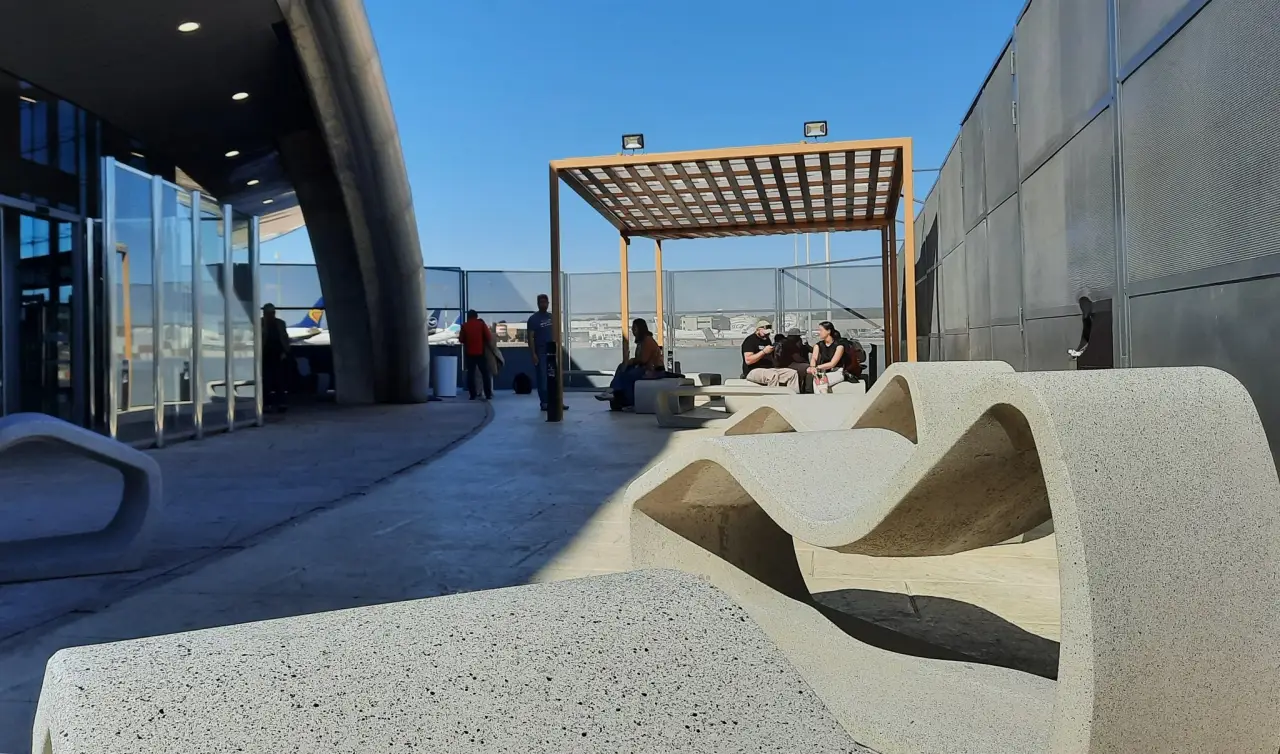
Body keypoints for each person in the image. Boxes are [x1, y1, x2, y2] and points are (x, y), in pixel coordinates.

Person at [595, 319, 665, 409]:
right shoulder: (642, 342)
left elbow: (643, 360)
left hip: (653, 370)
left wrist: (630, 361)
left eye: (634, 328)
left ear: (640, 329)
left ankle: (626, 399)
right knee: (621, 367)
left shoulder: (648, 341)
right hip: (644, 368)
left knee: (628, 376)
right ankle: (613, 391)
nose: (633, 331)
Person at [526, 294, 566, 412]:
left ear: (548, 303)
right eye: (541, 302)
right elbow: (530, 337)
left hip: (553, 350)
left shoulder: (552, 317)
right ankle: (544, 402)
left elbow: (557, 334)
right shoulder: (533, 319)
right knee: (543, 378)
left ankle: (557, 402)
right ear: (538, 304)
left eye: (545, 302)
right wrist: (533, 354)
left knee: (556, 377)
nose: (543, 304)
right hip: (541, 351)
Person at [740, 319, 800, 392]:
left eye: (768, 333)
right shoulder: (750, 341)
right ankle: (774, 396)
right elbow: (748, 360)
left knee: (792, 373)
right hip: (753, 371)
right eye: (765, 333)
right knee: (772, 375)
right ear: (758, 329)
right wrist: (764, 352)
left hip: (768, 369)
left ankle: (792, 396)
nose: (767, 335)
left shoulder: (767, 340)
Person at [260, 303, 291, 413]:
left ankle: (281, 403)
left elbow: (285, 338)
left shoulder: (280, 323)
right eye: (268, 313)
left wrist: (285, 351)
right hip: (265, 354)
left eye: (272, 313)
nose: (270, 315)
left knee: (280, 380)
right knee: (266, 381)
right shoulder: (260, 323)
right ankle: (267, 403)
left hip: (278, 355)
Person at [459, 309, 494, 401]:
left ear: (468, 316)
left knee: (470, 374)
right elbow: (488, 337)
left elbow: (461, 339)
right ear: (476, 316)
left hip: (469, 353)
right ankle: (488, 394)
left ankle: (472, 395)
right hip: (480, 352)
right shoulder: (481, 324)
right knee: (485, 374)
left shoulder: (464, 326)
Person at [808, 321, 847, 392]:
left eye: (821, 330)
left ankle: (823, 397)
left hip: (838, 372)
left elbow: (832, 363)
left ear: (828, 331)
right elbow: (814, 358)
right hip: (824, 372)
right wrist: (812, 367)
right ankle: (823, 396)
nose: (819, 332)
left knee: (820, 380)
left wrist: (817, 367)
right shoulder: (818, 345)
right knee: (818, 379)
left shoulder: (839, 346)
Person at [778, 327, 812, 392]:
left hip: (791, 363)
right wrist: (806, 363)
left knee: (808, 367)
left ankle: (804, 389)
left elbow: (812, 350)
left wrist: (805, 346)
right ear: (793, 336)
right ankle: (808, 391)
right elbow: (797, 358)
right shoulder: (788, 343)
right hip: (787, 364)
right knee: (809, 368)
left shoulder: (791, 343)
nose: (799, 338)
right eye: (798, 337)